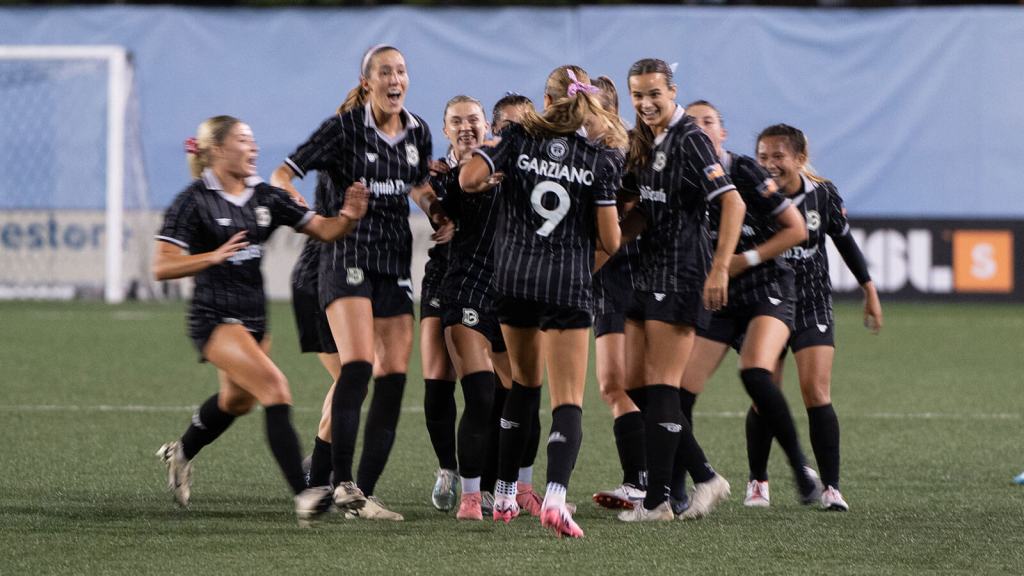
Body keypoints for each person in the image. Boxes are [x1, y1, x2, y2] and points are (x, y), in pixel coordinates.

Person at [154, 115, 367, 526]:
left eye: (253, 141)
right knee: (275, 388)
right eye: (243, 141)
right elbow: (162, 266)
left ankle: (181, 451)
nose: (253, 148)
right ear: (216, 150)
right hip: (213, 318)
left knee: (236, 401)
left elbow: (323, 229)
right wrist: (210, 257)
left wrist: (348, 216)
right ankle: (305, 493)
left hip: (254, 318)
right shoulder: (193, 200)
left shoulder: (264, 196)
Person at [270, 44, 447, 521]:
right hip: (345, 257)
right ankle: (341, 483)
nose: (396, 79)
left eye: (402, 71)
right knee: (358, 366)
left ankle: (360, 494)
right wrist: (318, 219)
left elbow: (419, 187)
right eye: (385, 72)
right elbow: (282, 176)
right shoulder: (343, 128)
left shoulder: (419, 131)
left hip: (393, 263)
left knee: (393, 376)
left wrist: (437, 214)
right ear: (367, 82)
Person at [459, 65, 626, 538]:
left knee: (524, 387)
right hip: (567, 285)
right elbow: (611, 241)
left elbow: (469, 179)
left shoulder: (515, 138)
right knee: (567, 400)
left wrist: (496, 180)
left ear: (545, 99)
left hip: (514, 280)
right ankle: (554, 497)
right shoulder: (600, 159)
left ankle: (506, 493)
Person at [615, 58, 745, 522]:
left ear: (672, 91)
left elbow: (732, 202)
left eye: (654, 93)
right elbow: (641, 211)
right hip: (647, 272)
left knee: (663, 385)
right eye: (638, 95)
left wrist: (720, 269)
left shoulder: (690, 138)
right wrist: (605, 244)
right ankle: (706, 477)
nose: (646, 103)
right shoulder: (644, 139)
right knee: (634, 382)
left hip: (683, 273)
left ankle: (657, 503)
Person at [673, 101, 810, 514]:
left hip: (766, 284)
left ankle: (801, 468)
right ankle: (679, 487)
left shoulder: (745, 171)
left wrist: (742, 261)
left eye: (708, 122)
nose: (700, 129)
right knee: (677, 395)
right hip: (718, 295)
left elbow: (797, 230)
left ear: (723, 132)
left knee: (754, 370)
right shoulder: (683, 176)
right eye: (692, 124)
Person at [752, 123, 884, 511]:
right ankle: (758, 481)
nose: (770, 164)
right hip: (768, 303)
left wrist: (869, 290)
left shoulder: (822, 195)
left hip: (811, 304)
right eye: (763, 157)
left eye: (778, 156)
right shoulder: (752, 193)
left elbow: (844, 240)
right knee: (765, 395)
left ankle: (831, 488)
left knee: (816, 392)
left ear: (800, 158)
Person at [585, 76, 650, 512]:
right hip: (609, 279)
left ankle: (659, 480)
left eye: (586, 110)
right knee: (621, 387)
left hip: (626, 276)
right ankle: (650, 482)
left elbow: (633, 219)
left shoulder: (621, 154)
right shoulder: (584, 153)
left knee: (631, 387)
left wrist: (588, 263)